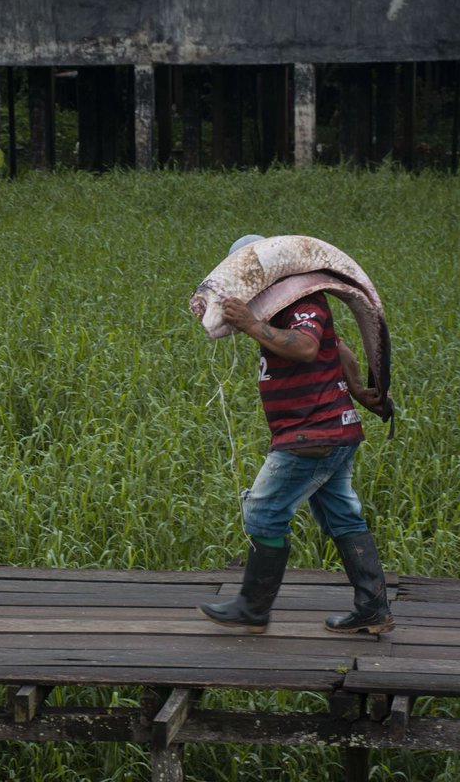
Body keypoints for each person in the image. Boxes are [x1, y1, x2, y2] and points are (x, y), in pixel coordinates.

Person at [198, 235, 394, 635]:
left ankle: (252, 609)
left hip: (311, 434)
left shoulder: (303, 302)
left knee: (263, 511)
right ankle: (373, 608)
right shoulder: (282, 307)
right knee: (342, 516)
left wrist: (251, 324)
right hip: (329, 430)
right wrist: (357, 389)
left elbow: (306, 347)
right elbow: (337, 348)